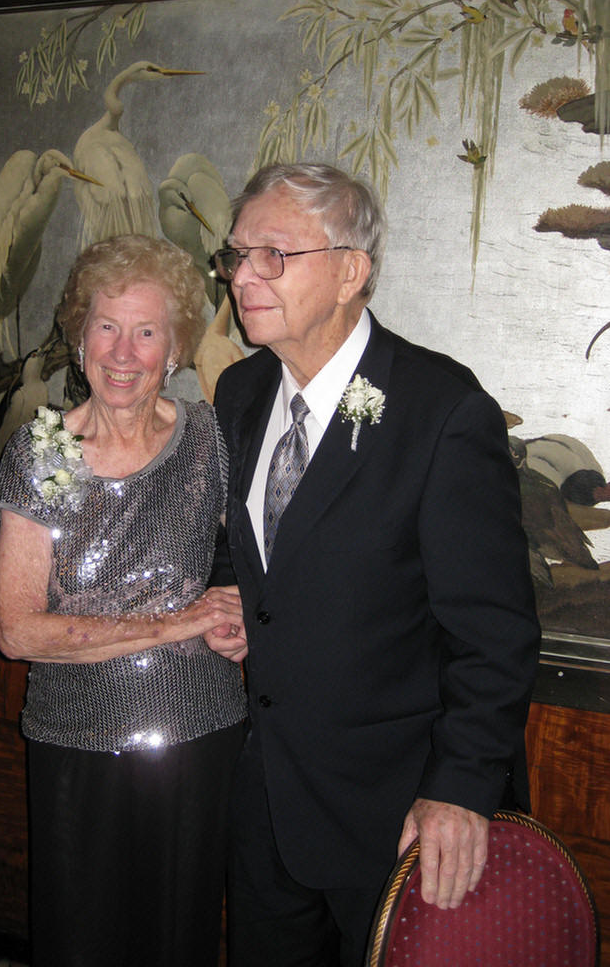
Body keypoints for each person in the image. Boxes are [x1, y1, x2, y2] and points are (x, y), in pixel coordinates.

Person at [205, 163, 541, 966]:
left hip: (399, 816)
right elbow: (248, 545)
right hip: (269, 804)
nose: (242, 276)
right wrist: (227, 588)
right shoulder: (242, 393)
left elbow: (494, 633)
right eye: (236, 254)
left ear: (352, 270)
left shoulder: (441, 409)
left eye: (273, 255)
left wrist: (460, 789)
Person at [0, 234, 247, 967]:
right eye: (107, 326)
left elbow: (265, 569)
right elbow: (16, 631)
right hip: (75, 740)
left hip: (200, 735)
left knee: (180, 937)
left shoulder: (210, 438)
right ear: (80, 340)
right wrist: (177, 623)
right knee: (83, 939)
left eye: (146, 331)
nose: (124, 352)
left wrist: (240, 619)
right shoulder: (42, 452)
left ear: (175, 349)